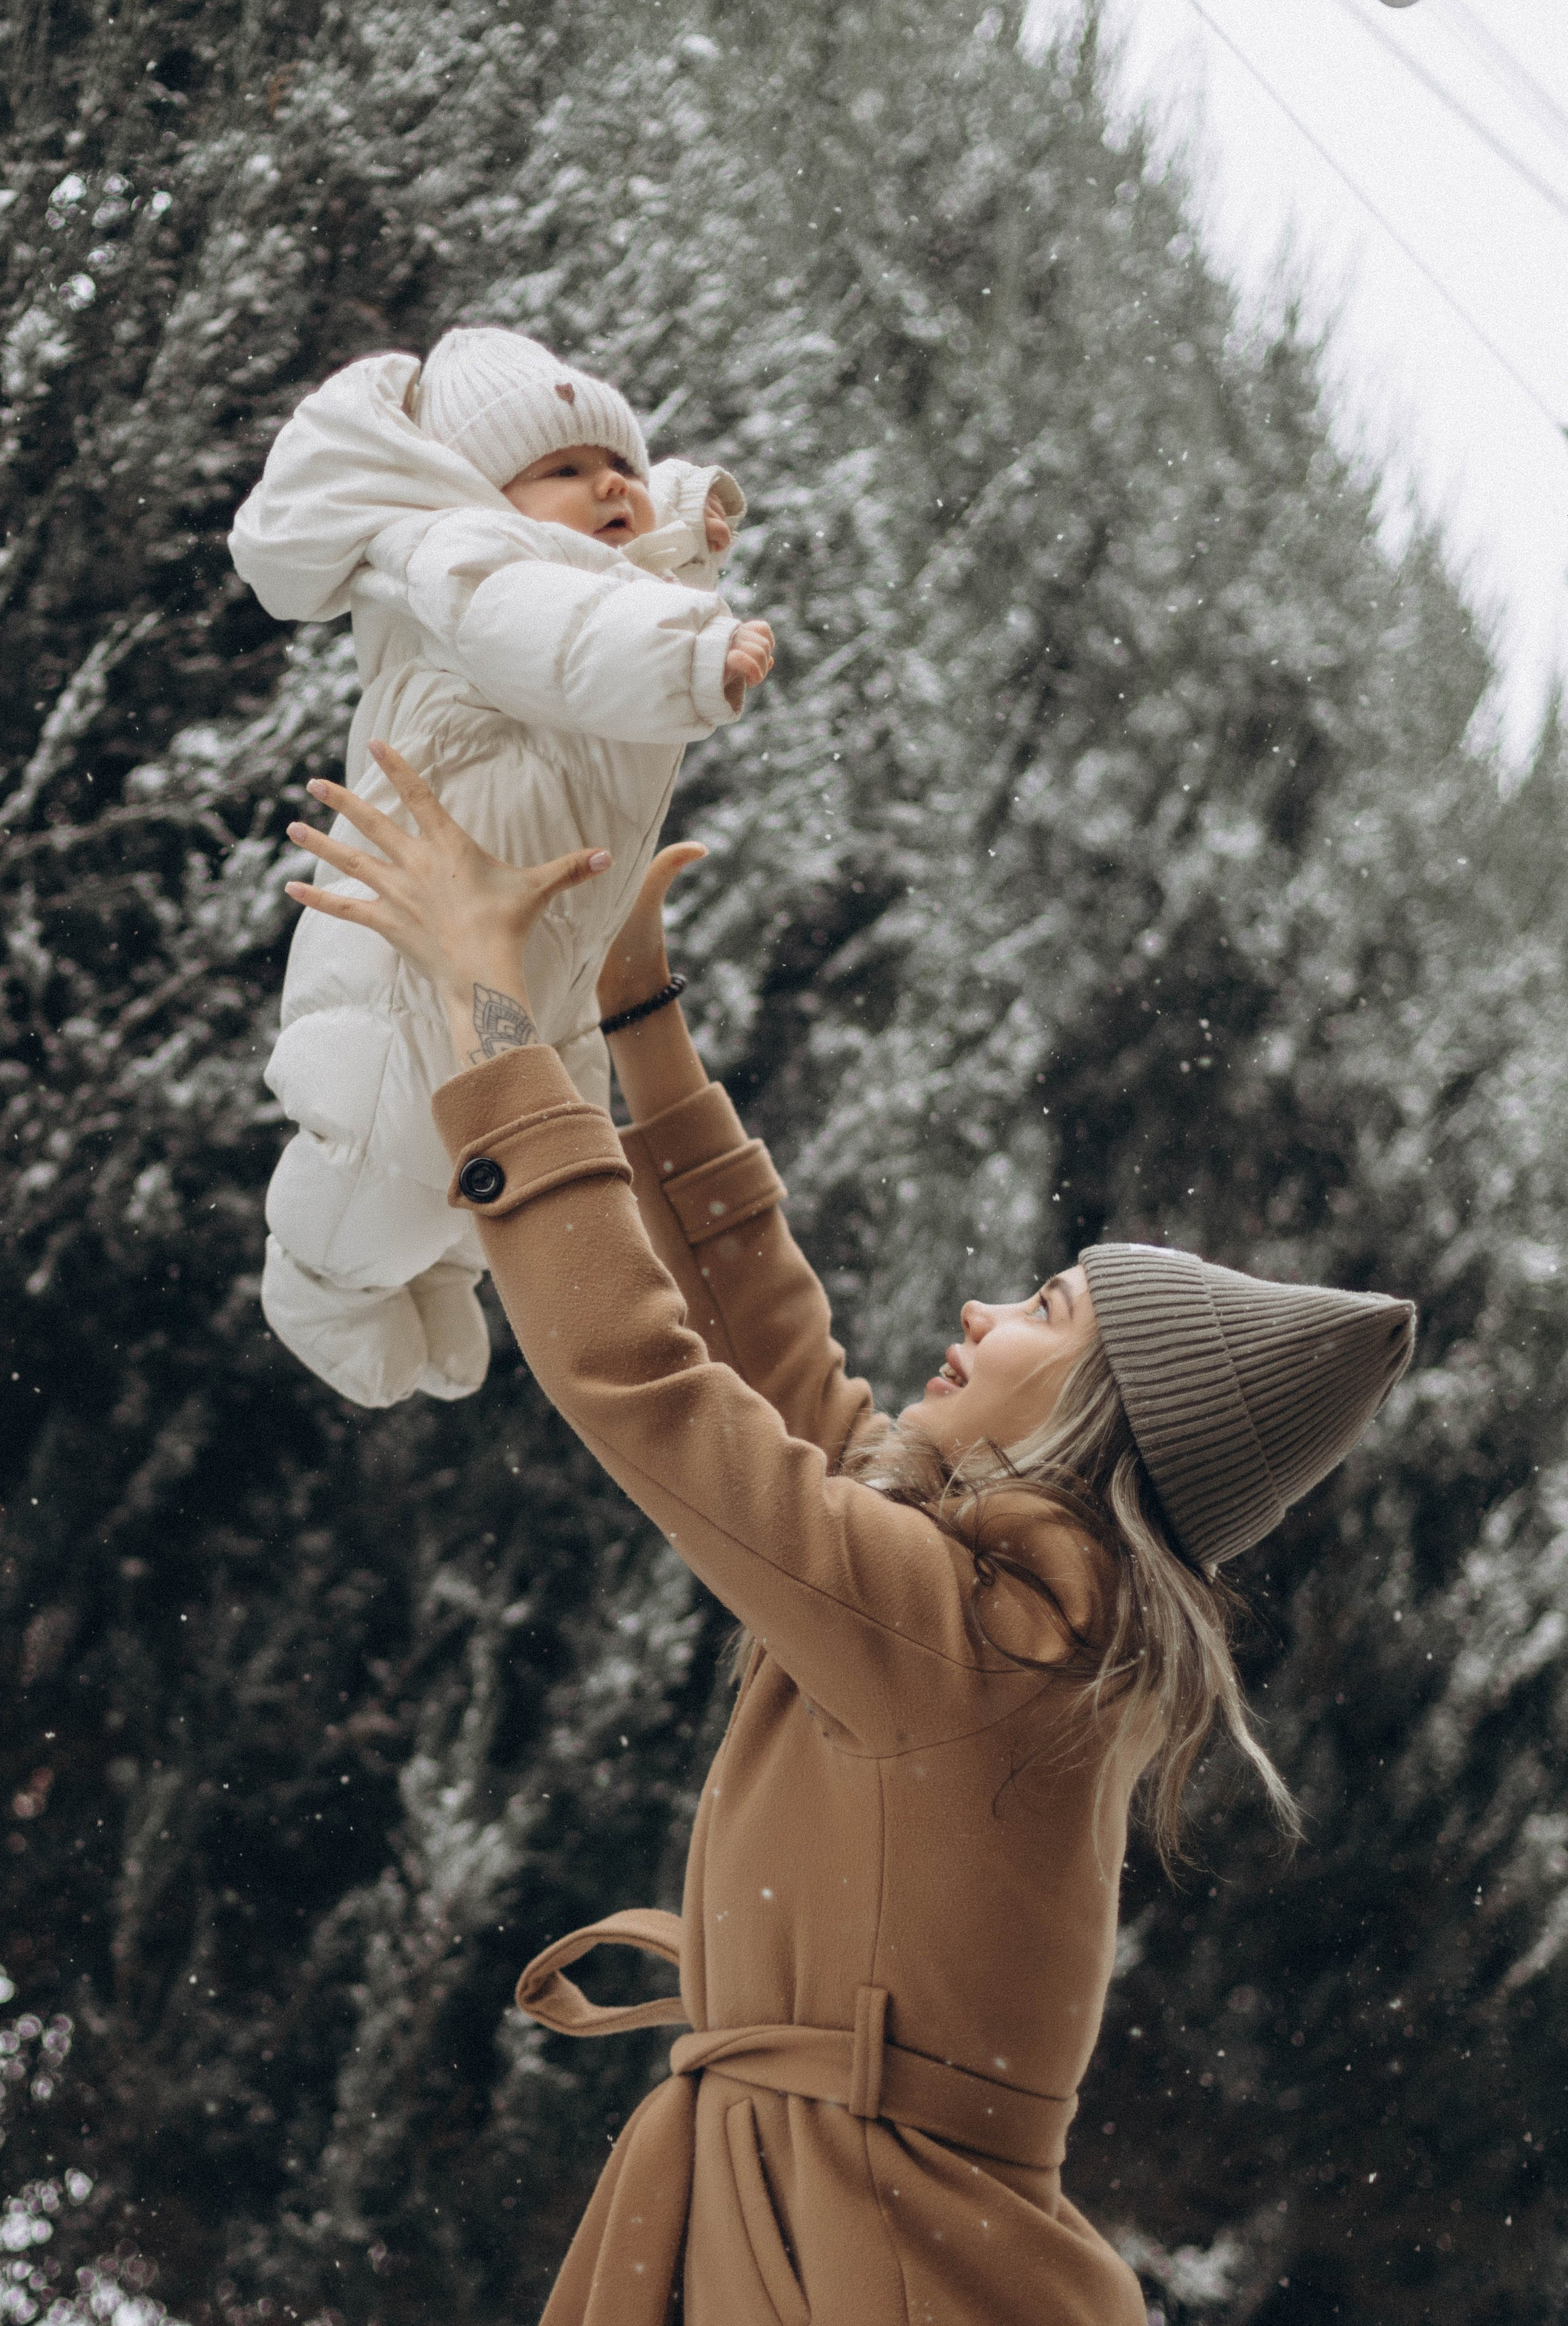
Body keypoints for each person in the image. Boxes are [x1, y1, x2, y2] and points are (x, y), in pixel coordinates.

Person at [282, 745, 1417, 2326]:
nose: (983, 1308)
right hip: (821, 2223)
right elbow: (760, 1337)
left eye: (1045, 1309)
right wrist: (632, 1013)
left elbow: (652, 1388)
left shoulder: (983, 1643)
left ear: (1090, 1423)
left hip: (864, 2265)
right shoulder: (985, 1603)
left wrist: (489, 1015)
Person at [229, 327, 774, 1408]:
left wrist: (681, 537)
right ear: (472, 488)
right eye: (565, 471)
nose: (609, 486)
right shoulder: (455, 556)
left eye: (620, 466)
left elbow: (598, 596)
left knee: (511, 1167)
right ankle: (318, 1292)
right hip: (420, 951)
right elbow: (560, 629)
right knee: (385, 1156)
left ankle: (434, 1273)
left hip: (534, 950)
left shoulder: (566, 570)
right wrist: (689, 654)